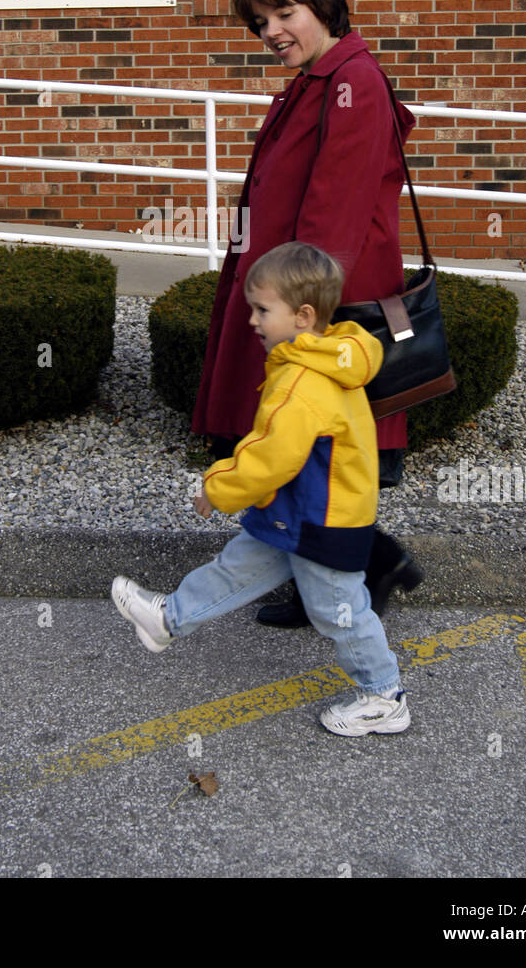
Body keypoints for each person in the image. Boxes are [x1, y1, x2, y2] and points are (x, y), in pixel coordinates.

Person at [192, 0, 422, 625]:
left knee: (306, 446)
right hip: (290, 288)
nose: (271, 31)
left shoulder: (352, 80)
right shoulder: (323, 77)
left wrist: (300, 315)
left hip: (314, 298)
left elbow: (336, 212)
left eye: (284, 13)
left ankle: (362, 573)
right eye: (261, 21)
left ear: (322, 5)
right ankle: (361, 569)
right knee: (300, 446)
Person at [112, 242, 410, 738]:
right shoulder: (331, 355)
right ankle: (169, 618)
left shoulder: (301, 382)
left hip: (321, 520)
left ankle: (384, 695)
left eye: (262, 309)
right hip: (297, 512)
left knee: (338, 612)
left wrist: (218, 488)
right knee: (236, 568)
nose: (252, 320)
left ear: (303, 315)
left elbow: (271, 456)